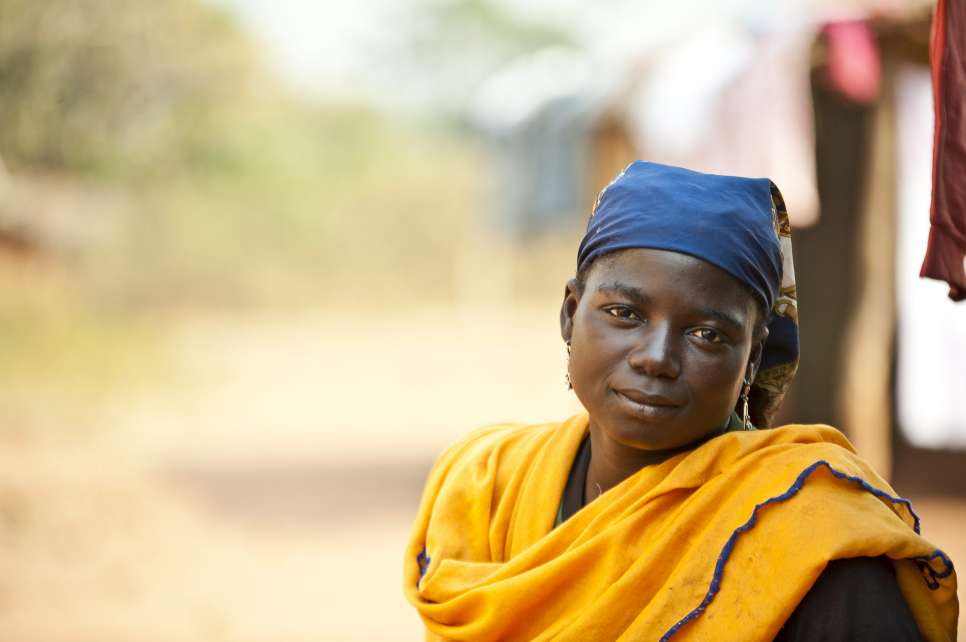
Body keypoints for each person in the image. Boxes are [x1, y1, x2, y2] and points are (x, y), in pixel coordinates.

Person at [403, 161, 958, 641]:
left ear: (752, 354)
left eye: (707, 334)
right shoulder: (487, 486)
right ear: (571, 313)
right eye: (625, 314)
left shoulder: (814, 541)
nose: (656, 358)